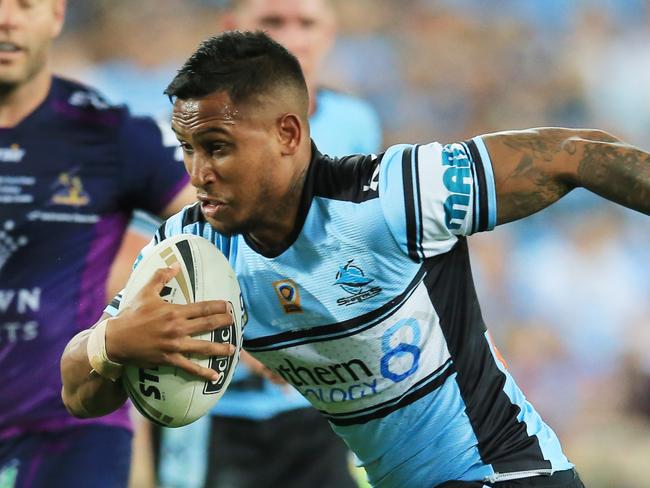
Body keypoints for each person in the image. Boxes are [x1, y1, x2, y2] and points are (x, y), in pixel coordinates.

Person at [60, 31, 650, 488]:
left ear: (289, 134)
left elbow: (572, 156)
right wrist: (112, 344)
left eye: (217, 147)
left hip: (505, 472)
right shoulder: (193, 249)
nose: (196, 173)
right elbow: (78, 391)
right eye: (186, 148)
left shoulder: (392, 198)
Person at [154, 1, 381, 487]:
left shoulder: (356, 123)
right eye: (274, 22)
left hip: (321, 404)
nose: (293, 39)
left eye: (307, 24)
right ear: (232, 32)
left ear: (331, 33)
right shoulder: (183, 134)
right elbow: (146, 269)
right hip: (213, 407)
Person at [0, 1, 193, 487]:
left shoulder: (108, 134)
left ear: (57, 17)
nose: (7, 19)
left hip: (73, 429)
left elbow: (219, 219)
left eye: (25, 4)